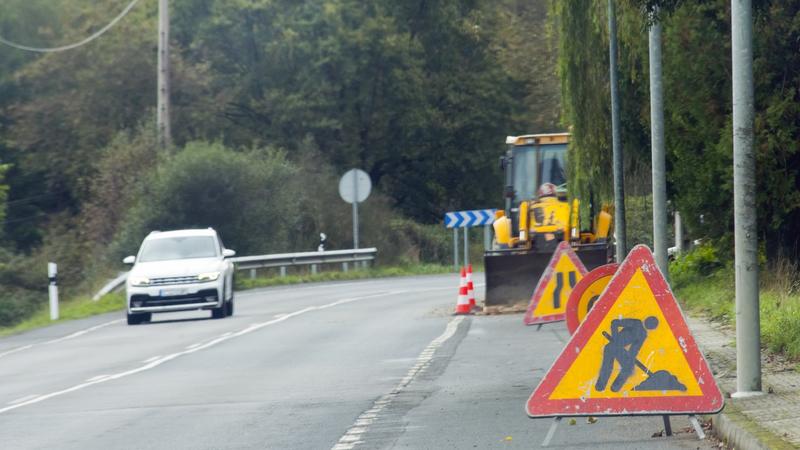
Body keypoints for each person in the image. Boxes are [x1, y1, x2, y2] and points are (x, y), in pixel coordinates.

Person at [595, 316, 659, 392]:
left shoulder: (643, 334)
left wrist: (631, 359)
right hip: (612, 347)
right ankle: (600, 386)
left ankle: (615, 387)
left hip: (620, 350)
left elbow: (634, 350)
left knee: (628, 368)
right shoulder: (635, 323)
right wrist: (615, 340)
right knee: (607, 366)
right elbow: (614, 323)